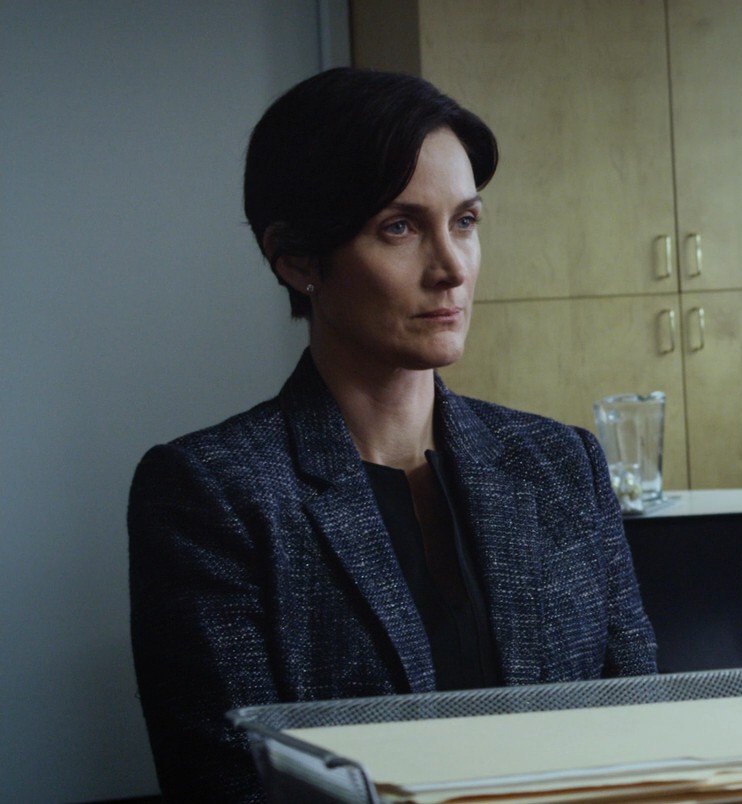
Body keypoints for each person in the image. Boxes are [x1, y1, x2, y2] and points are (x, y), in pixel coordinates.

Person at [127, 68, 658, 801]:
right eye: (399, 228)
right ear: (297, 259)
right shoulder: (211, 493)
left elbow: (647, 732)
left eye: (465, 222)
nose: (452, 269)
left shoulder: (561, 463)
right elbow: (229, 787)